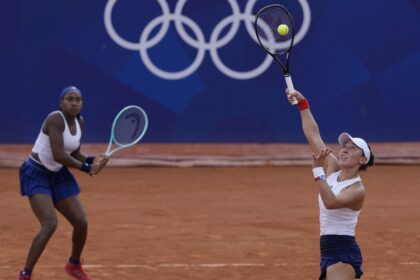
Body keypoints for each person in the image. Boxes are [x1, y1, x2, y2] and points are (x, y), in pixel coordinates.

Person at [17, 86, 109, 280]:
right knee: (49, 224)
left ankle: (74, 265)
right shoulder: (55, 119)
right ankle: (26, 273)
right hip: (36, 173)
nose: (74, 103)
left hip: (58, 175)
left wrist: (92, 160)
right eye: (69, 99)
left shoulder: (80, 121)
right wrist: (86, 168)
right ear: (61, 102)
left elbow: (73, 151)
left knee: (81, 222)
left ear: (82, 104)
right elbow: (59, 155)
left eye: (78, 99)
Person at [287, 90, 374, 280]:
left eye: (352, 149)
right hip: (327, 249)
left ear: (362, 160)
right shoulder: (333, 169)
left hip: (343, 253)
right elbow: (313, 136)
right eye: (344, 147)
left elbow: (331, 202)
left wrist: (318, 172)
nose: (344, 150)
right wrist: (303, 104)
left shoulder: (357, 189)